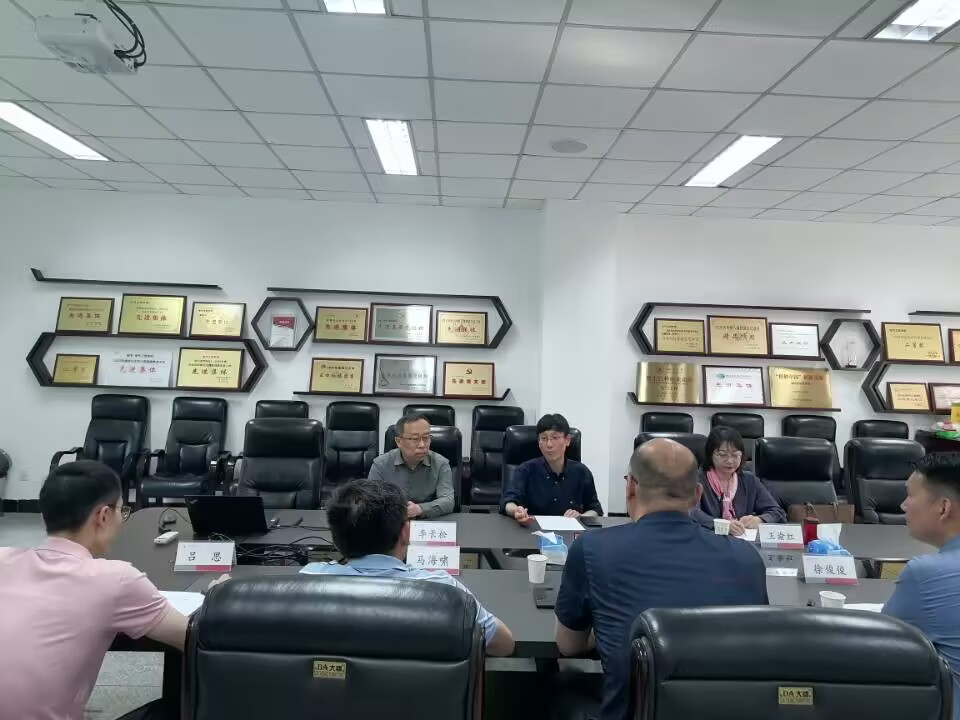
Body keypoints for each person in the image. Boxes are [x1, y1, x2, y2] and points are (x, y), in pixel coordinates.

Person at [554, 438, 768, 720]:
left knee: (560, 684)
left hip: (638, 712)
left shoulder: (592, 548)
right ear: (697, 494)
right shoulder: (747, 558)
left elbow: (569, 645)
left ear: (630, 487)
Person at [0, 461, 189, 720]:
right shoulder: (116, 580)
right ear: (103, 516)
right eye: (122, 511)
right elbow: (192, 638)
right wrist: (217, 595)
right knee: (172, 708)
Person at [301, 478, 514, 656]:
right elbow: (503, 643)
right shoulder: (444, 590)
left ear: (336, 539)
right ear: (405, 532)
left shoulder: (308, 581)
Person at [883, 453, 960, 720]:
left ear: (943, 507)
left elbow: (877, 647)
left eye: (910, 495)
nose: (903, 505)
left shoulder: (925, 575)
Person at [502, 413, 602, 524]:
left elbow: (595, 509)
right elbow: (508, 501)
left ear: (567, 440)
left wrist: (581, 517)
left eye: (555, 438)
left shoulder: (582, 472)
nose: (549, 445)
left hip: (569, 531)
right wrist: (516, 511)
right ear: (539, 442)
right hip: (532, 529)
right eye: (544, 438)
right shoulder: (525, 470)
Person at [690, 425, 786, 536]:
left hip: (742, 540)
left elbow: (778, 512)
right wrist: (722, 525)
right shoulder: (697, 479)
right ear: (710, 454)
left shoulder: (749, 480)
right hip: (707, 539)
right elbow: (690, 512)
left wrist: (759, 520)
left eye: (735, 455)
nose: (730, 460)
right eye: (722, 455)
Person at [368, 413, 455, 518]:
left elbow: (448, 501)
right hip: (392, 520)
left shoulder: (441, 463)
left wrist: (420, 509)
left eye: (426, 437)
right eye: (415, 439)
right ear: (399, 441)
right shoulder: (380, 465)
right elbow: (370, 502)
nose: (422, 445)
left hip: (428, 520)